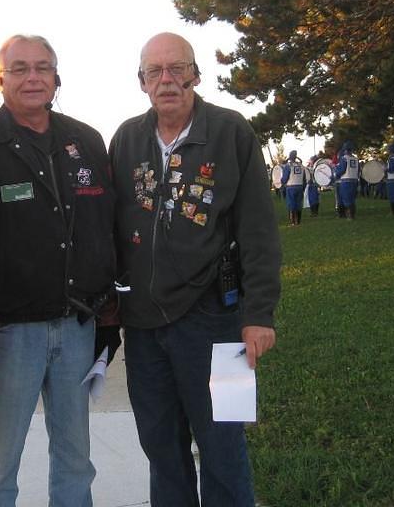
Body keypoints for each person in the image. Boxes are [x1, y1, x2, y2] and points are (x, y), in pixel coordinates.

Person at [109, 32, 282, 507]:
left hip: (217, 322)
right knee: (162, 449)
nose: (167, 80)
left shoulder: (231, 132)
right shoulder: (126, 139)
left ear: (195, 74)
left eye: (177, 69)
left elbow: (259, 231)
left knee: (223, 446)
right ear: (142, 81)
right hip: (144, 328)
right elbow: (110, 227)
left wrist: (259, 313)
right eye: (155, 72)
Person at [0, 34, 118, 507]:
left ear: (56, 77)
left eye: (42, 68)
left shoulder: (85, 141)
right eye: (21, 68)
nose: (33, 78)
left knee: (75, 460)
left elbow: (103, 230)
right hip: (10, 335)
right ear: (0, 79)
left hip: (77, 328)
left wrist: (109, 317)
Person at [334, 139, 360, 219]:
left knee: (346, 198)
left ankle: (350, 216)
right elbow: (359, 170)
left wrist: (335, 174)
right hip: (354, 181)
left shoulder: (344, 158)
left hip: (346, 181)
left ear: (345, 150)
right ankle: (352, 215)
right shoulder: (356, 159)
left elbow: (342, 170)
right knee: (352, 198)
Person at [280, 149, 305, 225]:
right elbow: (304, 177)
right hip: (300, 186)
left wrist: (282, 182)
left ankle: (293, 222)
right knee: (298, 204)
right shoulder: (301, 165)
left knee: (291, 204)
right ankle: (298, 221)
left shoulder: (288, 166)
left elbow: (284, 178)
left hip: (291, 187)